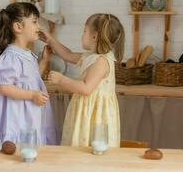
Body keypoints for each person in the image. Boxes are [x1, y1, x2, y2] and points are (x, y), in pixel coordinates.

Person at [40, 13, 125, 147]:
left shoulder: (102, 61)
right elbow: (68, 55)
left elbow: (86, 88)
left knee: (92, 147)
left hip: (96, 118)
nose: (82, 34)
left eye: (84, 31)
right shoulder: (92, 56)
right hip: (87, 112)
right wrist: (50, 40)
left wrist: (61, 79)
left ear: (94, 36)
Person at [0, 2, 57, 145]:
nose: (39, 27)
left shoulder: (26, 53)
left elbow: (31, 79)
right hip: (17, 114)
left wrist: (43, 61)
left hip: (28, 111)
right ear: (18, 27)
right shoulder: (11, 57)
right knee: (19, 142)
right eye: (35, 22)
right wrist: (32, 95)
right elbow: (4, 87)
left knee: (30, 141)